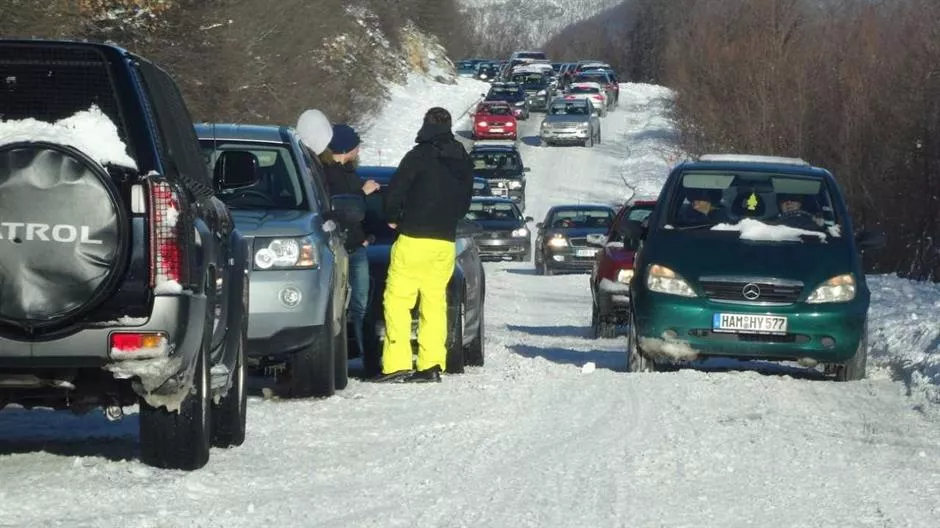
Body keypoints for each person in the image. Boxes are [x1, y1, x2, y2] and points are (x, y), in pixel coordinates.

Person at [376, 107, 474, 383]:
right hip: (444, 242)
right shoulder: (462, 160)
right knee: (434, 303)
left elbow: (395, 192)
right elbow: (464, 204)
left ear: (425, 125)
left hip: (413, 238)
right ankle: (431, 364)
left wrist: (392, 217)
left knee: (397, 301)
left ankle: (397, 362)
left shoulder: (418, 156)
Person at [318, 124, 381, 375]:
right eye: (355, 146)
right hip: (337, 248)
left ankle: (368, 359)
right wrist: (362, 193)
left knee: (361, 305)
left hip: (357, 246)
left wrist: (368, 236)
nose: (358, 150)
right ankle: (334, 356)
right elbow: (341, 207)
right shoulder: (325, 175)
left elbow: (359, 213)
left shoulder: (349, 172)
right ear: (344, 148)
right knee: (336, 305)